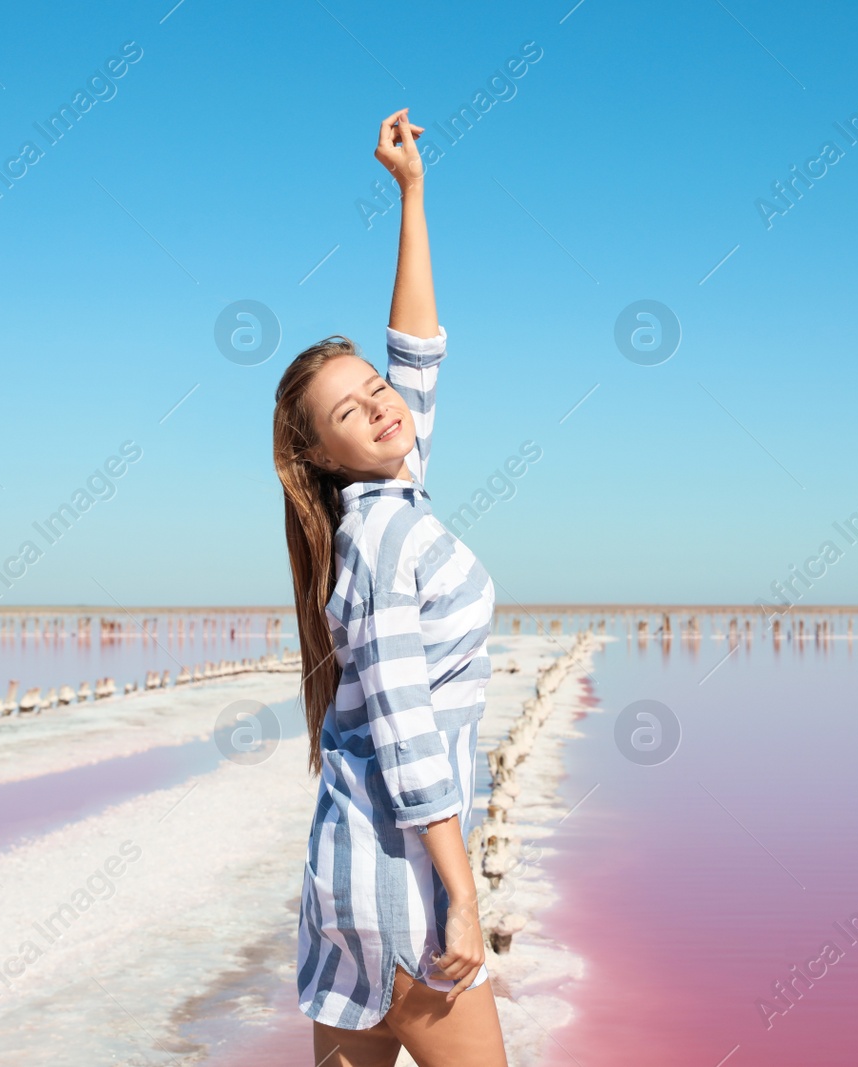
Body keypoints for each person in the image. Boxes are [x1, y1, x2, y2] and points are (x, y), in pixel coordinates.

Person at [271, 107, 509, 1066]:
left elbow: (418, 355)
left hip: (347, 876)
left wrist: (411, 194)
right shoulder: (387, 536)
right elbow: (410, 733)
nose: (378, 400)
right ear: (322, 458)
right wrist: (461, 892)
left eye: (373, 384)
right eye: (348, 408)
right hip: (401, 880)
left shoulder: (385, 506)